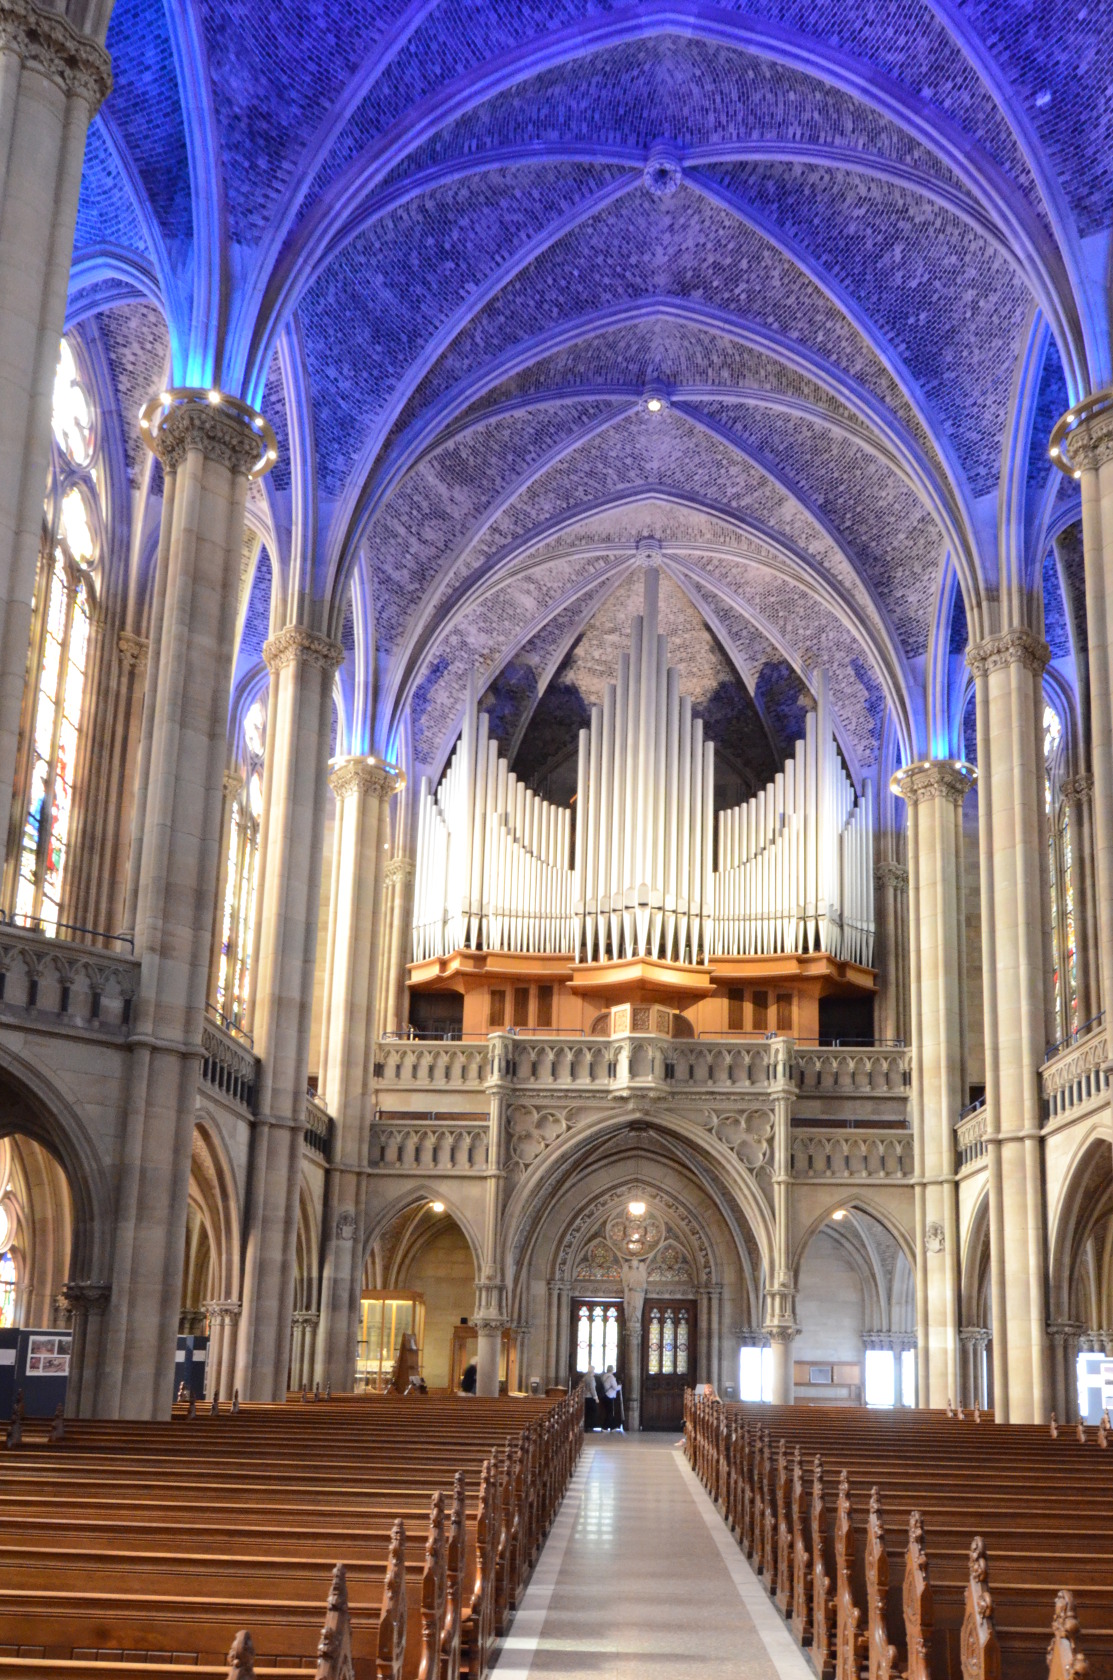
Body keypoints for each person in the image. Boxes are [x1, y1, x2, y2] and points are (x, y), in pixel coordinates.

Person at [601, 1365, 622, 1430]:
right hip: (610, 1395)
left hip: (605, 1395)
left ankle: (613, 1427)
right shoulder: (611, 1377)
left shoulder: (604, 1376)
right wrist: (620, 1386)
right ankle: (604, 1427)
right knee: (610, 1412)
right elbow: (615, 1387)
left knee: (609, 1412)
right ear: (612, 1370)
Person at [582, 1363, 600, 1430]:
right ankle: (589, 1426)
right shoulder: (591, 1378)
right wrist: (596, 1397)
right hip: (590, 1397)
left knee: (587, 1412)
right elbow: (592, 1388)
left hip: (585, 1396)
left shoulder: (585, 1376)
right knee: (592, 1412)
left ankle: (586, 1426)